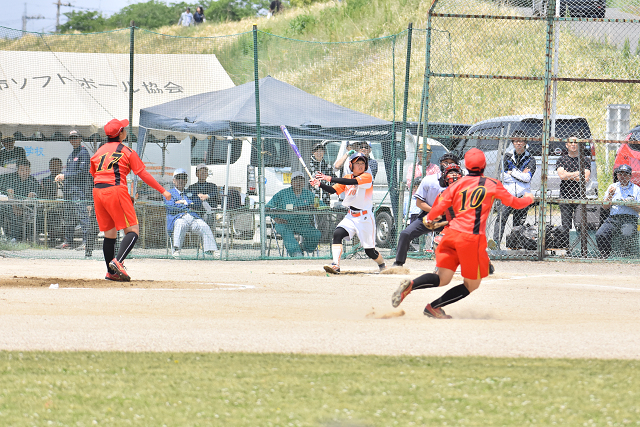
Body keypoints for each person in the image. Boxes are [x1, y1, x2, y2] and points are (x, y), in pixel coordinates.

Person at [390, 148, 533, 319]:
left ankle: (412, 285)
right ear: (484, 165)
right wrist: (529, 198)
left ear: (466, 165)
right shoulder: (492, 183)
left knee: (442, 278)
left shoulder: (455, 185)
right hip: (471, 239)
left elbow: (437, 209)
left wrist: (429, 218)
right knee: (471, 284)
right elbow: (514, 203)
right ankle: (433, 307)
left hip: (450, 236)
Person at [91, 118, 172, 281]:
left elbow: (94, 174)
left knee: (110, 235)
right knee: (133, 231)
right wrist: (163, 190)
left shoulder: (99, 151)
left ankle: (111, 272)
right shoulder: (126, 151)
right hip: (115, 190)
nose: (126, 131)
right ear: (121, 133)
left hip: (98, 192)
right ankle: (118, 262)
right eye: (124, 129)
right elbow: (143, 173)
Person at [312, 152, 387, 273]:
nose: (360, 165)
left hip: (365, 218)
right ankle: (336, 265)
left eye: (362, 163)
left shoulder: (367, 177)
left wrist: (328, 178)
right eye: (357, 163)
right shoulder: (347, 177)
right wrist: (319, 184)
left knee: (370, 251)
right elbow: (332, 190)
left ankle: (382, 265)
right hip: (351, 216)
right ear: (351, 165)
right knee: (337, 233)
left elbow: (353, 183)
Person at [391, 153, 460, 268]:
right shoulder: (430, 180)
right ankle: (398, 263)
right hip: (430, 215)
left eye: (451, 162)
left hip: (452, 218)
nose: (448, 165)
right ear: (440, 164)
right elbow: (419, 203)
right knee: (405, 234)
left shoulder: (462, 181)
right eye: (445, 162)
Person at [490, 131, 537, 249]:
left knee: (518, 223)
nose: (518, 143)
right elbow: (502, 176)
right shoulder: (507, 157)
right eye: (516, 141)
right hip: (507, 194)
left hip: (522, 195)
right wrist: (519, 175)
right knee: (501, 219)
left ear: (525, 142)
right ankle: (496, 244)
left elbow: (527, 178)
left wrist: (512, 172)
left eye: (521, 141)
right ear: (513, 143)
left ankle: (515, 246)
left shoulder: (530, 159)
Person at [165, 168, 219, 258]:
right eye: (178, 178)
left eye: (183, 178)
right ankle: (176, 250)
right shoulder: (169, 193)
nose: (181, 180)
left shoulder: (191, 192)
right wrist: (189, 204)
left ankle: (212, 250)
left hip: (193, 218)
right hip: (178, 218)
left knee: (204, 226)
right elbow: (171, 207)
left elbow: (198, 203)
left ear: (186, 181)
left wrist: (183, 202)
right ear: (173, 180)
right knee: (180, 224)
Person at [266, 171, 321, 257]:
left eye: (301, 180)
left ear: (304, 183)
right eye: (296, 180)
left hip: (303, 224)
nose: (299, 182)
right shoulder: (282, 194)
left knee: (316, 234)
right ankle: (296, 253)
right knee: (286, 232)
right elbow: (267, 207)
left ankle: (302, 247)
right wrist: (275, 217)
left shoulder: (309, 194)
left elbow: (321, 205)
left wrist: (315, 206)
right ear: (291, 182)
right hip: (284, 223)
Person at [54, 130, 93, 251]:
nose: (73, 140)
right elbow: (70, 172)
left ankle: (87, 242)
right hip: (69, 191)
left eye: (75, 137)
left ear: (80, 138)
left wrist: (65, 176)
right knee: (68, 216)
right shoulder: (72, 154)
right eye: (71, 138)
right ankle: (68, 241)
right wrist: (62, 176)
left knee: (82, 216)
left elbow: (82, 173)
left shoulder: (83, 153)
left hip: (79, 191)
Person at [596, 164, 640, 258]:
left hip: (630, 218)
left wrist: (630, 204)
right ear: (617, 175)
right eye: (620, 174)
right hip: (614, 218)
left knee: (626, 234)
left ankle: (624, 257)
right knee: (601, 234)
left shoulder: (636, 189)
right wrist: (610, 195)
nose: (622, 176)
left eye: (625, 174)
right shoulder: (612, 187)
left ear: (630, 176)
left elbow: (639, 209)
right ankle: (605, 256)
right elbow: (605, 206)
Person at [556, 136, 591, 236]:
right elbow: (562, 176)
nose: (573, 144)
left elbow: (585, 178)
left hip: (580, 196)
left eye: (576, 142)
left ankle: (579, 249)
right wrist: (578, 173)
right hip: (565, 196)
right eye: (571, 142)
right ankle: (567, 248)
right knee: (566, 226)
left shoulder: (585, 160)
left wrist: (568, 174)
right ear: (566, 145)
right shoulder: (562, 160)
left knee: (580, 225)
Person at [3, 158, 42, 242]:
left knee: (37, 213)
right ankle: (12, 237)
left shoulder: (33, 181)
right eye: (22, 170)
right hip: (13, 206)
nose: (24, 172)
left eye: (27, 170)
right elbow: (10, 194)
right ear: (17, 170)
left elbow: (31, 196)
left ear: (30, 170)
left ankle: (32, 236)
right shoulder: (11, 179)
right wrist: (15, 207)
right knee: (7, 211)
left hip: (28, 207)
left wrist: (22, 207)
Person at [40, 157, 64, 246]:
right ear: (49, 167)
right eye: (53, 165)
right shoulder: (45, 180)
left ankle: (64, 237)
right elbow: (43, 193)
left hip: (64, 205)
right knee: (48, 214)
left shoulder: (66, 179)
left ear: (61, 167)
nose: (55, 167)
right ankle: (52, 236)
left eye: (57, 165)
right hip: (50, 205)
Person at [309, 142, 335, 206]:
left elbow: (334, 179)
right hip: (313, 197)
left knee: (325, 213)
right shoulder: (308, 166)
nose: (319, 153)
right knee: (314, 213)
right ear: (313, 153)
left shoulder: (327, 167)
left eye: (321, 151)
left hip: (325, 198)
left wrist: (332, 189)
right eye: (316, 151)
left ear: (324, 152)